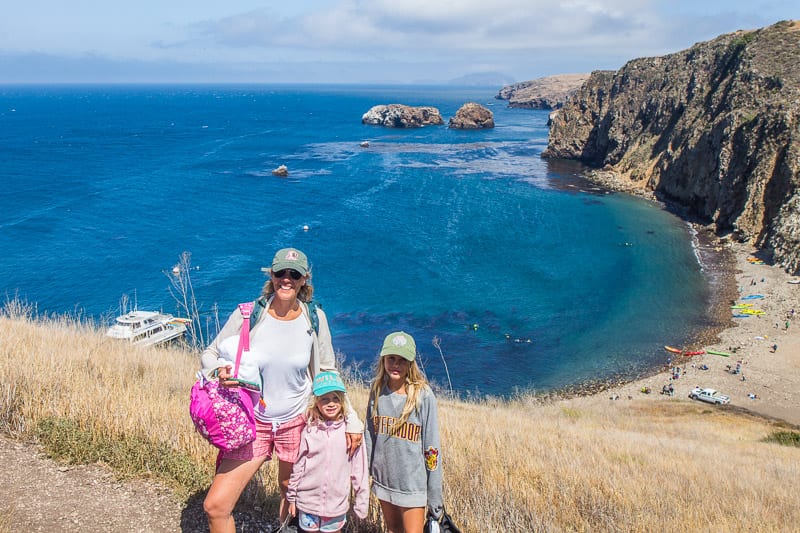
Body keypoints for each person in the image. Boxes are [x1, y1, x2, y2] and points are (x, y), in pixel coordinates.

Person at [200, 247, 364, 533]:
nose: (286, 279)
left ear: (304, 280)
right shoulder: (249, 315)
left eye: (294, 274)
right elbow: (210, 353)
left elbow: (328, 372)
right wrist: (219, 371)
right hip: (253, 423)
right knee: (216, 506)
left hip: (297, 422)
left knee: (293, 497)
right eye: (280, 273)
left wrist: (350, 417)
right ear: (271, 275)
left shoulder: (314, 318)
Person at [364, 331, 443, 533]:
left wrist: (434, 497)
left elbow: (432, 449)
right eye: (391, 358)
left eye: (402, 360)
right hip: (384, 482)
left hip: (412, 487)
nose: (396, 365)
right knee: (392, 529)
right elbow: (369, 437)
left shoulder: (423, 396)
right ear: (383, 359)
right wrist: (364, 476)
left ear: (410, 363)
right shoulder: (377, 391)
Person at [287, 371, 369, 533]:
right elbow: (299, 466)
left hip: (336, 506)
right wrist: (292, 498)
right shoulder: (310, 431)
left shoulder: (350, 433)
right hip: (307, 503)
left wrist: (361, 502)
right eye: (324, 399)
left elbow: (359, 470)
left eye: (335, 398)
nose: (331, 403)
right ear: (316, 402)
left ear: (343, 402)